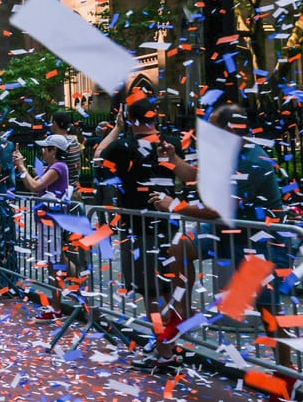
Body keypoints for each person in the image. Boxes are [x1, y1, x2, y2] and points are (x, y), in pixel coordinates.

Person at [148, 104, 296, 388]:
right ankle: (183, 312)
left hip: (261, 244)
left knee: (270, 316)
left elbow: (219, 208)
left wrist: (175, 206)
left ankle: (285, 376)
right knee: (180, 245)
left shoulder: (256, 161)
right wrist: (173, 157)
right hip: (224, 235)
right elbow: (194, 177)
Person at [98, 93, 195, 369]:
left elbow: (97, 158)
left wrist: (117, 128)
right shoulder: (171, 144)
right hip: (169, 227)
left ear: (129, 118)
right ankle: (172, 345)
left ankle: (164, 352)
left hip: (140, 231)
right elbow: (188, 177)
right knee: (168, 290)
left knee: (151, 294)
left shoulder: (123, 147)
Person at [13, 134, 71, 322]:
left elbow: (35, 185)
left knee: (53, 266)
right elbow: (33, 186)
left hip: (51, 221)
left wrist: (22, 166)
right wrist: (21, 168)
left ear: (54, 151)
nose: (42, 151)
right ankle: (76, 289)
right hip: (47, 221)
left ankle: (56, 308)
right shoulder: (51, 167)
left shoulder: (58, 167)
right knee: (57, 261)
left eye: (46, 148)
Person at [50, 111, 83, 199]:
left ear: (55, 124)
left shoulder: (55, 143)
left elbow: (54, 168)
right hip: (75, 191)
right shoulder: (74, 141)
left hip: (61, 194)